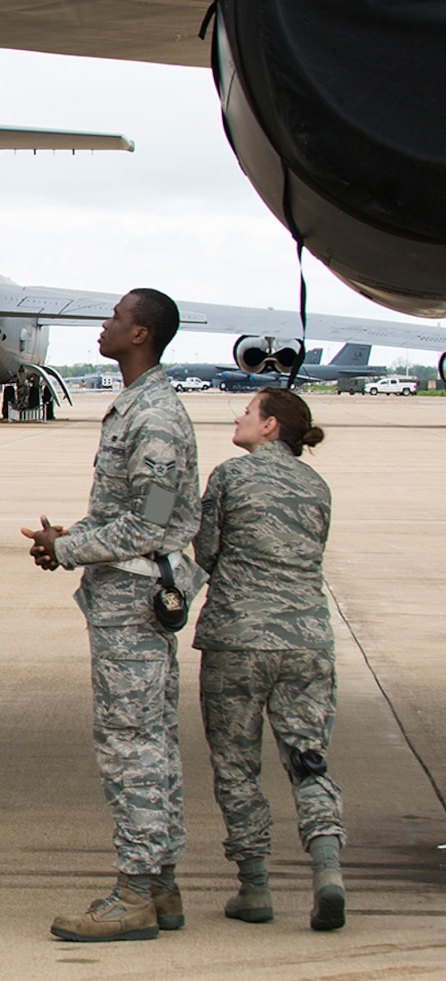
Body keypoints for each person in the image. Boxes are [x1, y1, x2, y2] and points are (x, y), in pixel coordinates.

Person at [21, 288, 200, 943]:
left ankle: (134, 891)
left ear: (142, 334)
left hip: (134, 605)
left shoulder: (154, 416)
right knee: (148, 742)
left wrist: (68, 548)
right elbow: (125, 514)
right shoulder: (135, 407)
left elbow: (148, 525)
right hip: (121, 597)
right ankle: (160, 884)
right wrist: (67, 539)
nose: (105, 323)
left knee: (133, 748)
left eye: (117, 317)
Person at [193, 388, 345, 931]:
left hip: (239, 638)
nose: (239, 416)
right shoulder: (317, 485)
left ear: (271, 426)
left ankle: (255, 886)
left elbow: (205, 550)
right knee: (308, 756)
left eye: (249, 411)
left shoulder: (231, 475)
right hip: (306, 641)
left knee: (237, 765)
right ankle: (327, 869)